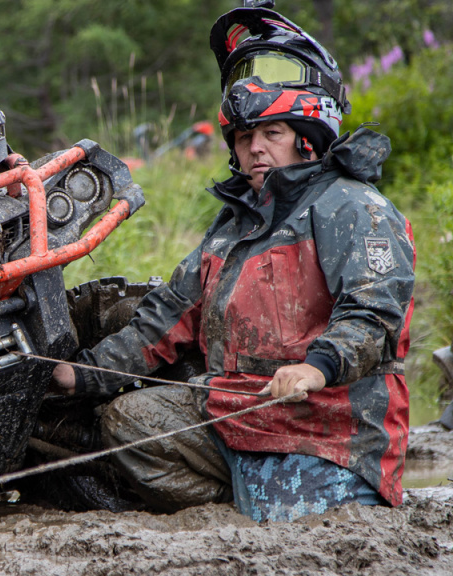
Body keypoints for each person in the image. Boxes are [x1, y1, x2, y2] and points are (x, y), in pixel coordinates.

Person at [50, 6, 415, 522]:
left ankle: (258, 512)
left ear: (307, 138)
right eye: (246, 139)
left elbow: (374, 314)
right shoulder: (232, 226)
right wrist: (81, 375)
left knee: (307, 543)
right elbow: (168, 316)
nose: (256, 149)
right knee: (131, 420)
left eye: (272, 135)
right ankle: (228, 511)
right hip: (234, 412)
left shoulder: (355, 207)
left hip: (328, 426)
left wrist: (316, 367)